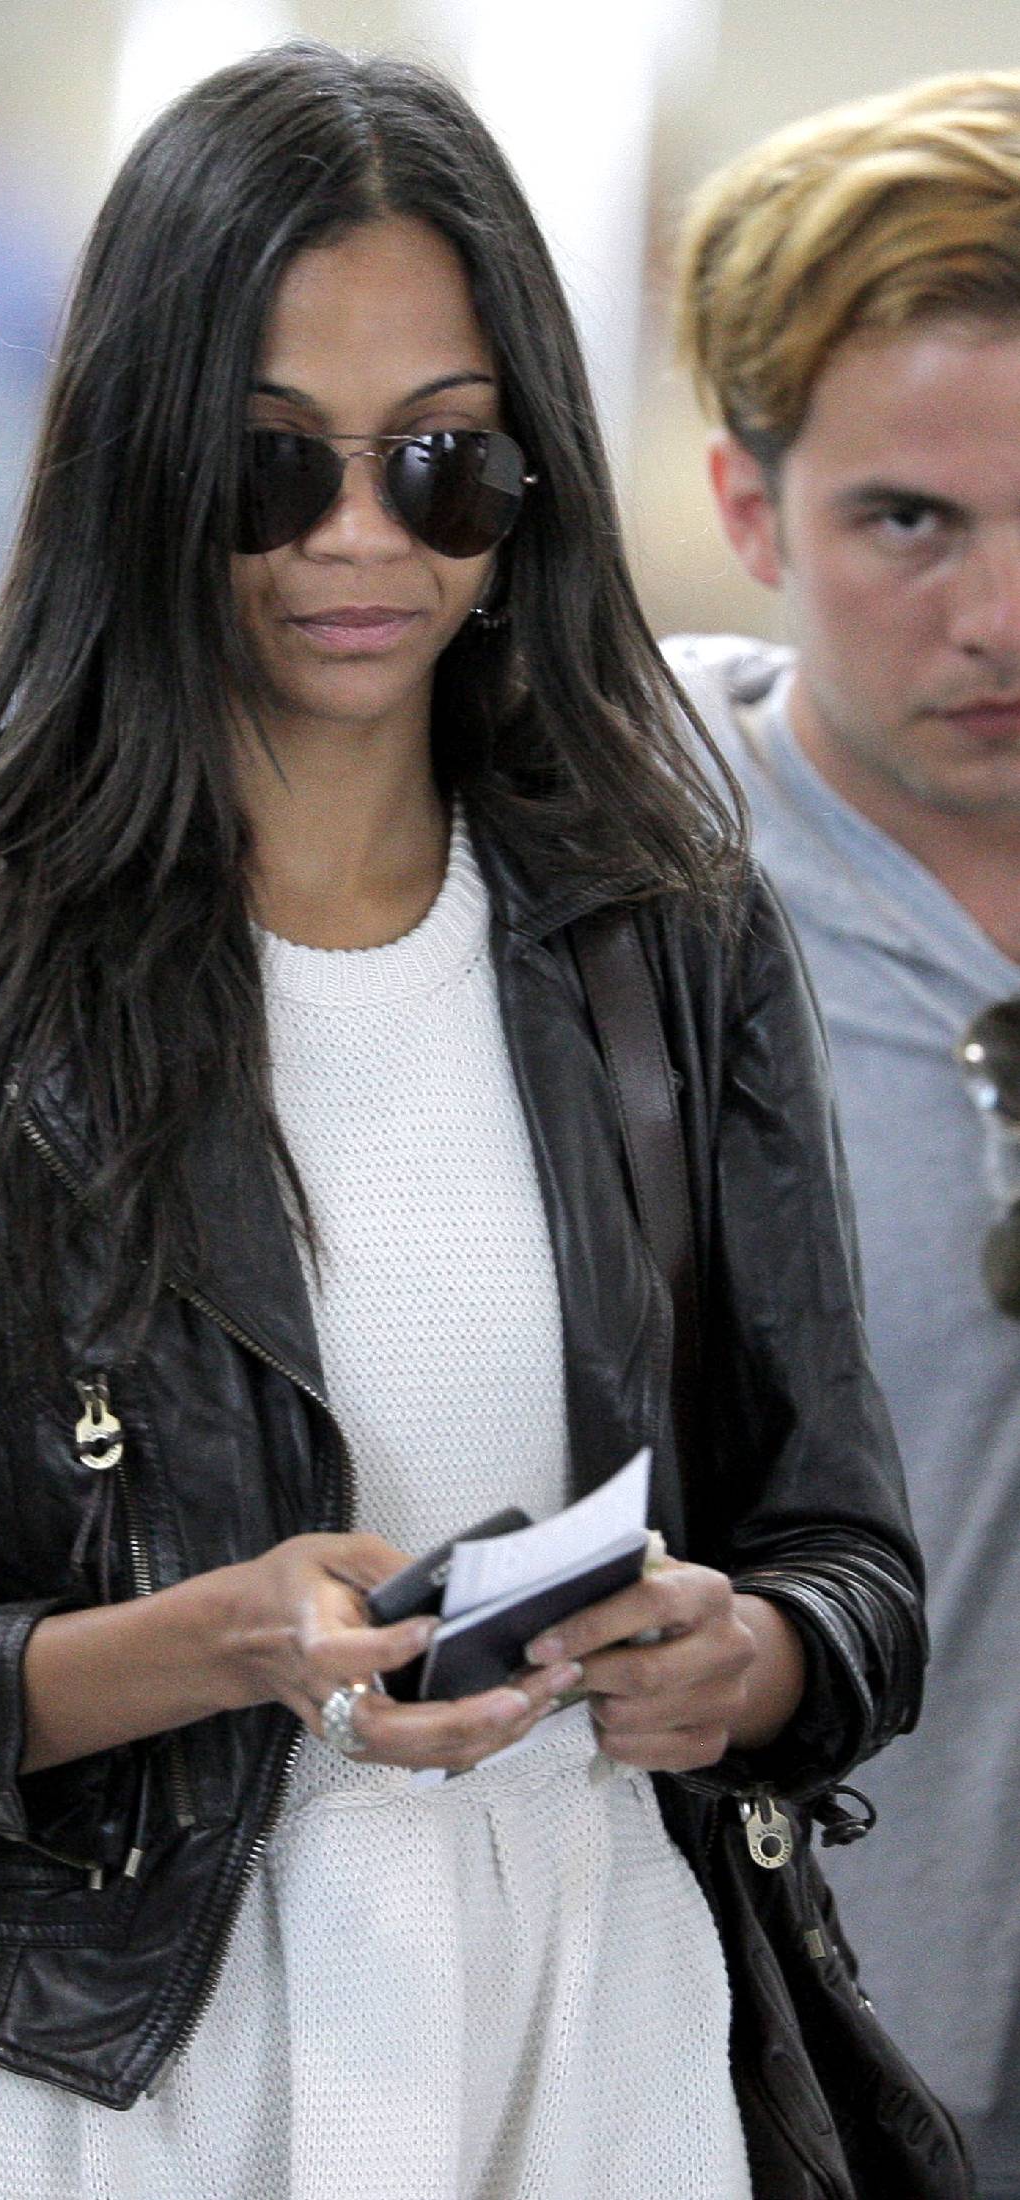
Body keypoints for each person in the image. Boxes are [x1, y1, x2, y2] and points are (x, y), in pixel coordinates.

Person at [0, 43, 924, 2200]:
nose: (362, 539)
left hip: (592, 2016)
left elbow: (850, 1564)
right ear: (144, 466)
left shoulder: (662, 932)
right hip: (107, 2073)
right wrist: (218, 1642)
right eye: (272, 470)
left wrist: (748, 1649)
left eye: (440, 463)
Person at [669, 70, 1020, 2200]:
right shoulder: (600, 941)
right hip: (777, 2065)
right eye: (910, 521)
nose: (999, 618)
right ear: (746, 507)